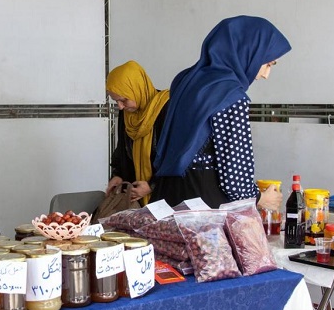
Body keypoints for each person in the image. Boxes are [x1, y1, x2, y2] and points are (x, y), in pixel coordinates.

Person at [151, 15, 291, 209]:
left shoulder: (185, 81)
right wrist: (259, 198)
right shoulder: (230, 95)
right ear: (247, 53)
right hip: (204, 206)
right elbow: (235, 176)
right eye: (267, 64)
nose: (265, 75)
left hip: (167, 195)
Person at [105, 60, 169, 205]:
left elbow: (175, 154)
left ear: (137, 89)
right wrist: (117, 175)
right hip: (136, 196)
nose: (120, 107)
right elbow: (122, 148)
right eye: (116, 101)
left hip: (164, 196)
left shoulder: (167, 109)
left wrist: (152, 185)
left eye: (124, 100)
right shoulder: (127, 113)